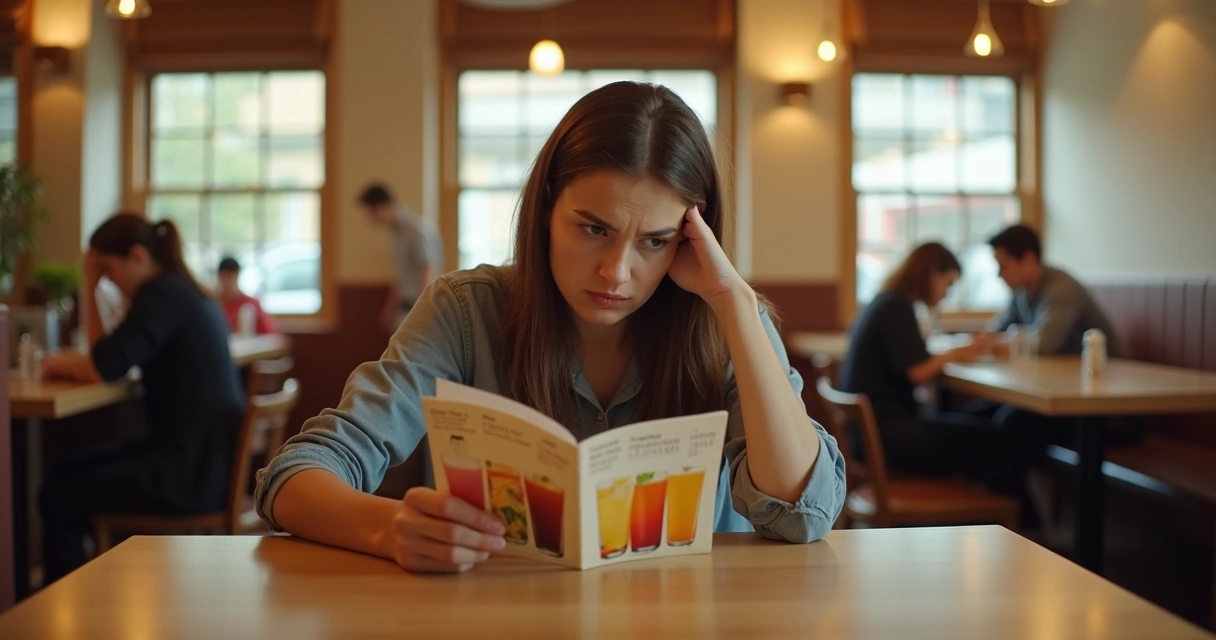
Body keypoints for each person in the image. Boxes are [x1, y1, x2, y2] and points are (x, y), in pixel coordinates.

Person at [255, 81, 847, 574]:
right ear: (544, 212)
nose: (617, 271)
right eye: (593, 228)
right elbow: (295, 476)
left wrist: (736, 304)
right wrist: (389, 528)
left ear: (692, 239)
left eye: (655, 241)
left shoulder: (727, 322)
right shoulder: (465, 313)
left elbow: (803, 513)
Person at [39, 213, 246, 584]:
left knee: (58, 493)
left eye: (108, 270)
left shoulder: (161, 294)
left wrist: (88, 286)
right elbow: (108, 357)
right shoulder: (181, 289)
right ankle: (83, 590)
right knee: (64, 469)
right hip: (203, 464)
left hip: (186, 477)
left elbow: (104, 364)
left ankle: (65, 603)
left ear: (137, 256)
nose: (109, 282)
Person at [837, 243, 1026, 499]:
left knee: (986, 420)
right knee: (991, 440)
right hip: (885, 436)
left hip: (872, 433)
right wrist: (956, 352)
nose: (946, 294)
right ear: (932, 274)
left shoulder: (886, 302)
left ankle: (977, 519)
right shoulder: (896, 307)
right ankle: (1007, 525)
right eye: (948, 284)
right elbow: (917, 372)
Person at [988, 224, 1126, 357]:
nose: (999, 274)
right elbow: (998, 329)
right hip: (1066, 370)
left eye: (1003, 266)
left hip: (1109, 370)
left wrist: (992, 344)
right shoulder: (1021, 292)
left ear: (1028, 260)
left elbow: (1045, 344)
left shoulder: (1062, 288)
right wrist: (986, 339)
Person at [358, 183, 445, 333]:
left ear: (382, 206)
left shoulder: (416, 230)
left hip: (418, 307)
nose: (370, 218)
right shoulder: (396, 234)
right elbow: (401, 276)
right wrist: (390, 309)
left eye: (371, 212)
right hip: (405, 307)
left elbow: (427, 271)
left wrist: (424, 314)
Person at [214, 256, 279, 335]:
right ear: (219, 277)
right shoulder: (213, 304)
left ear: (237, 276)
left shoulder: (252, 303)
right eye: (224, 277)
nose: (227, 282)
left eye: (230, 277)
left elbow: (269, 332)